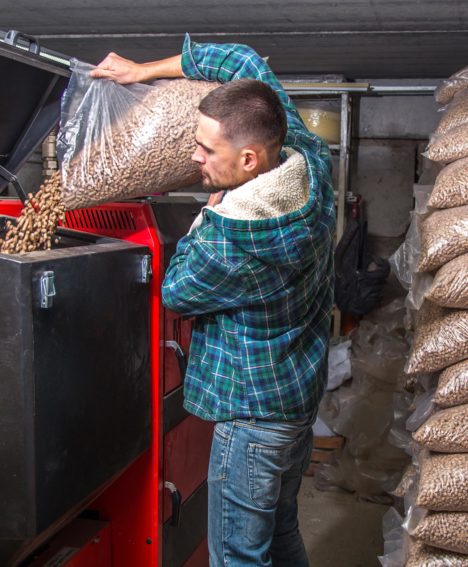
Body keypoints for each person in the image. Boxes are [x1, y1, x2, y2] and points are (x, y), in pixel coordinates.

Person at [92, 35, 335, 567]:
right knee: (280, 531)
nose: (193, 156)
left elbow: (176, 291)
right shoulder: (307, 157)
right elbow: (242, 60)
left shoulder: (235, 240)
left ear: (249, 159)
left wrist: (206, 217)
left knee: (236, 555)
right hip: (296, 395)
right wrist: (142, 71)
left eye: (205, 150)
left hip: (253, 422)